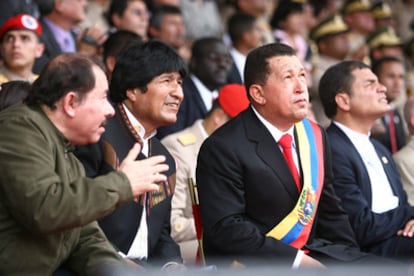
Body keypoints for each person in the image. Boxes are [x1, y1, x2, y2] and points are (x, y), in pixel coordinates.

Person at [196, 42, 372, 268]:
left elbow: (330, 210)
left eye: (302, 75)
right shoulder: (223, 147)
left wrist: (350, 259)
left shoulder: (314, 134)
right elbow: (228, 228)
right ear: (258, 94)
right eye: (288, 78)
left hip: (315, 252)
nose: (301, 87)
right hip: (255, 264)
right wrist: (297, 262)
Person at [0, 53, 169, 275]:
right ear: (70, 102)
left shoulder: (66, 149)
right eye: (102, 98)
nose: (110, 110)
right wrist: (123, 183)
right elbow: (44, 209)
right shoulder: (19, 128)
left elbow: (85, 239)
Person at [75, 40, 187, 270]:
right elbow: (75, 214)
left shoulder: (163, 155)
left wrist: (172, 265)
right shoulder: (97, 134)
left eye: (180, 83)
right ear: (132, 90)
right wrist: (118, 262)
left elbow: (161, 233)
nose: (178, 93)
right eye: (166, 81)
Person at [319, 60, 414, 260]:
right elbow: (361, 226)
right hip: (365, 253)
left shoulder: (380, 149)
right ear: (344, 101)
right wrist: (409, 213)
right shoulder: (331, 149)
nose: (383, 88)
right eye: (370, 84)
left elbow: (400, 204)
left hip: (398, 240)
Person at [161, 83, 249, 263]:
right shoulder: (178, 148)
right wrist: (220, 225)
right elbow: (172, 223)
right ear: (218, 117)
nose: (242, 134)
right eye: (237, 126)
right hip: (189, 242)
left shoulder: (239, 151)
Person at [156, 37, 233, 139]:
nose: (223, 64)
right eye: (215, 58)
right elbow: (170, 139)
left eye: (227, 60)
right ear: (194, 62)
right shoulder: (177, 92)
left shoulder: (226, 95)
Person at [34, 0, 107, 73]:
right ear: (59, 4)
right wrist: (83, 55)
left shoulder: (78, 37)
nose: (85, 3)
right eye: (79, 0)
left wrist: (95, 59)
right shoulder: (34, 36)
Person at [309, 14, 350, 128]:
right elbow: (335, 92)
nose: (346, 39)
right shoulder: (315, 66)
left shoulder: (348, 63)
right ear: (323, 45)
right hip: (327, 128)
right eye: (339, 36)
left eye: (345, 35)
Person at [370, 56, 407, 153]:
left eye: (401, 77)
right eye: (391, 76)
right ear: (375, 78)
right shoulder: (367, 113)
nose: (397, 83)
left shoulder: (395, 111)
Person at [0, 14, 44, 84]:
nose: (16, 44)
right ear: (2, 49)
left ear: (39, 49)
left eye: (24, 38)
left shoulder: (43, 84)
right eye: (10, 39)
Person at [227, 12, 262, 84]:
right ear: (246, 36)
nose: (261, 34)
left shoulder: (257, 60)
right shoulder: (226, 62)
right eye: (257, 29)